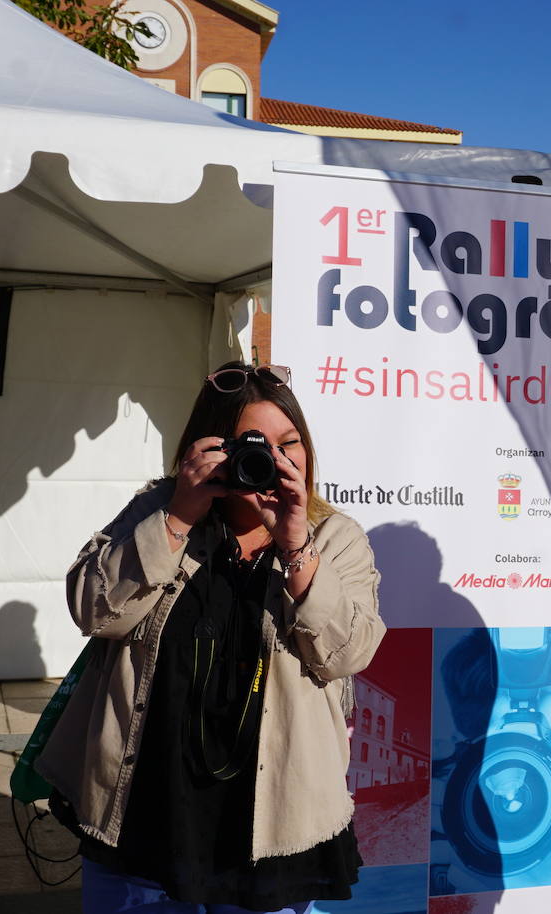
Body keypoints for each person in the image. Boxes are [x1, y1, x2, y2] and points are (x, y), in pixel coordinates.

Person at [37, 361, 386, 914]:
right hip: (147, 814)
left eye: (289, 443)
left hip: (272, 827)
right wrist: (178, 517)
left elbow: (348, 653)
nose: (274, 461)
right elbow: (93, 611)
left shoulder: (333, 537)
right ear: (207, 447)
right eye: (252, 446)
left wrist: (296, 547)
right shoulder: (161, 510)